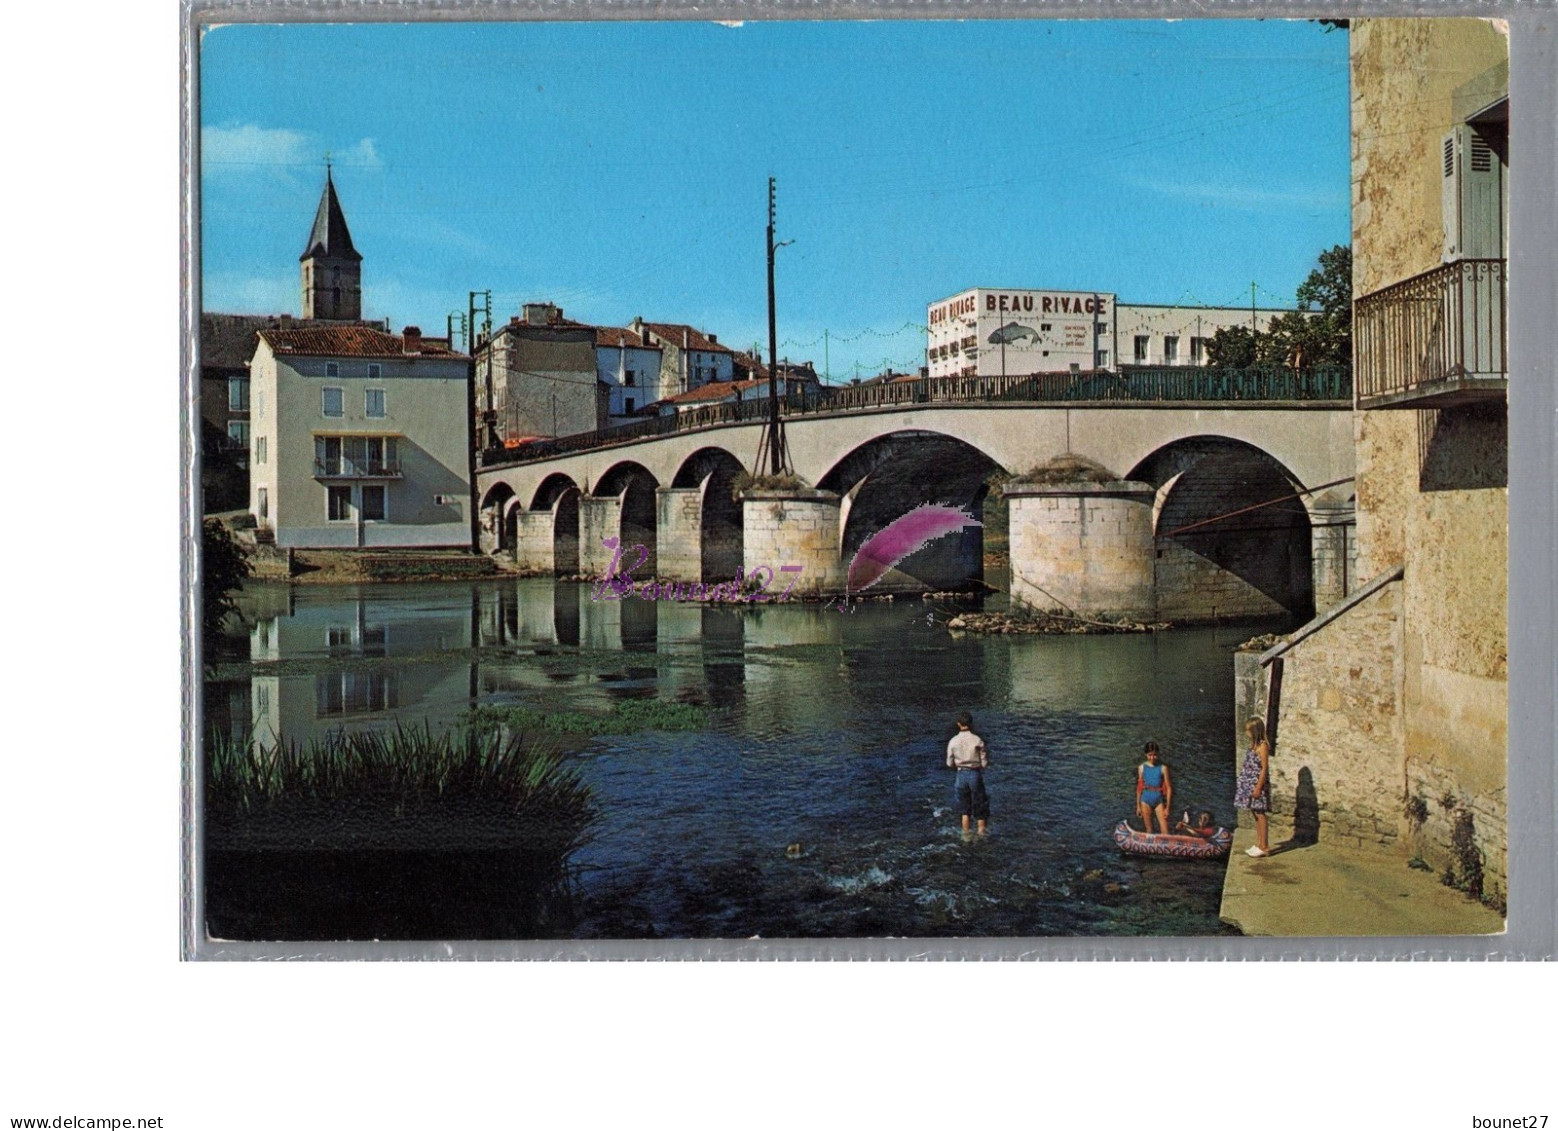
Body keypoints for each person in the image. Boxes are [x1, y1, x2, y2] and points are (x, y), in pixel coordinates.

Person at [946, 711, 990, 836]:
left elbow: (949, 763)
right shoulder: (977, 740)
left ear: (958, 724)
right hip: (975, 774)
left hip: (961, 775)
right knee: (980, 805)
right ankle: (981, 834)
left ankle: (966, 835)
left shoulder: (953, 741)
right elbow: (984, 763)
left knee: (965, 810)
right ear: (971, 723)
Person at [1235, 717, 1273, 857]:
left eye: (1248, 730)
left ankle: (1264, 846)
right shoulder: (1252, 745)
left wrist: (1258, 787)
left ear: (1254, 731)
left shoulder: (1263, 746)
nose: (1246, 733)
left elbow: (1264, 768)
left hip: (1257, 784)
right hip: (1248, 784)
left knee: (1260, 814)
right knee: (1255, 813)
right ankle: (1259, 843)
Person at [1135, 741, 1172, 834]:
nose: (1152, 757)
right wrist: (1138, 806)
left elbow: (1169, 788)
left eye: (1155, 755)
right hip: (1145, 800)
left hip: (1159, 801)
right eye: (1149, 755)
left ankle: (1167, 846)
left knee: (1165, 831)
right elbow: (1139, 788)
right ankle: (1150, 846)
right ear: (1146, 754)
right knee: (1149, 830)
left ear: (1158, 754)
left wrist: (1167, 807)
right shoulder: (1141, 768)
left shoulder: (1163, 768)